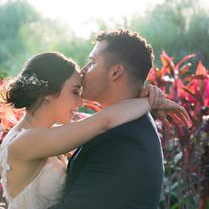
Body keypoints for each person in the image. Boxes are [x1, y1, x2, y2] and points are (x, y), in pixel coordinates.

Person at [0, 51, 189, 209]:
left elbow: (103, 122)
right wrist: (151, 102)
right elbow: (104, 121)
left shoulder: (45, 133)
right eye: (74, 91)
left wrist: (144, 94)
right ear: (48, 95)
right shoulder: (27, 142)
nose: (80, 102)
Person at [49, 29, 191, 209]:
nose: (82, 71)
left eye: (92, 62)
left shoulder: (124, 139)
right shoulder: (123, 126)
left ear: (115, 72)